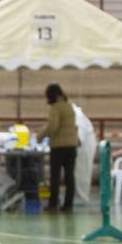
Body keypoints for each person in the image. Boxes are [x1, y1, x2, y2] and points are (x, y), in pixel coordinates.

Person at [38, 83, 78, 212]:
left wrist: (40, 135)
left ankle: (53, 204)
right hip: (72, 145)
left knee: (55, 176)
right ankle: (68, 205)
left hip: (59, 146)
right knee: (69, 176)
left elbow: (52, 126)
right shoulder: (69, 106)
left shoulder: (55, 107)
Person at [72, 101, 98, 209]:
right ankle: (79, 197)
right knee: (79, 172)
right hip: (82, 147)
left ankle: (82, 199)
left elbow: (79, 138)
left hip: (83, 148)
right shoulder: (76, 114)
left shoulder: (77, 115)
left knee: (81, 172)